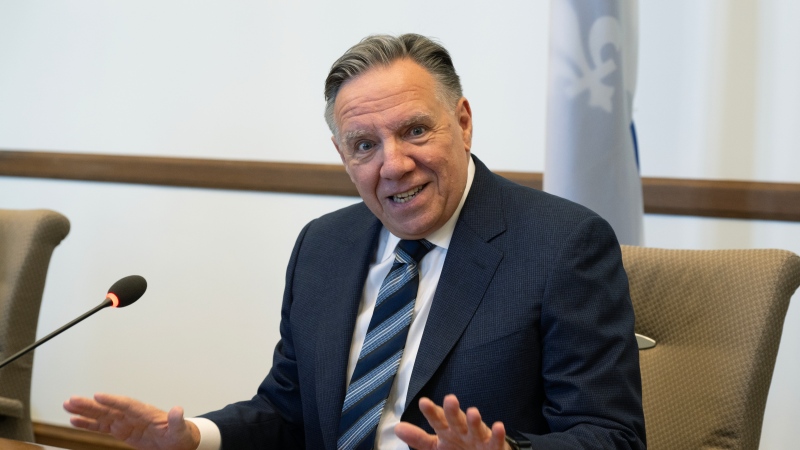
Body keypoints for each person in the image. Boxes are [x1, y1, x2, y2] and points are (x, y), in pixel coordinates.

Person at [64, 34, 646, 450]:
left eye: (415, 130)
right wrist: (195, 435)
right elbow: (287, 412)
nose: (393, 164)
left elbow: (611, 435)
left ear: (463, 122)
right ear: (343, 157)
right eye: (364, 145)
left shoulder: (563, 244)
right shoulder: (324, 245)